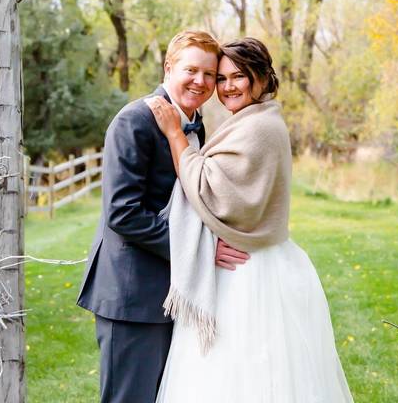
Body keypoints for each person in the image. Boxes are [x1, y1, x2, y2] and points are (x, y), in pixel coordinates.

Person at [146, 37, 353, 403]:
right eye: (221, 78)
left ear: (260, 78)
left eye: (237, 77)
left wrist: (176, 135)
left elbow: (211, 191)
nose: (226, 87)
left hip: (250, 273)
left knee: (248, 372)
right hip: (245, 263)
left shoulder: (259, 127)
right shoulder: (249, 120)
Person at [77, 30, 250, 403]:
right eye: (191, 70)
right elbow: (123, 214)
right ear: (168, 67)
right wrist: (201, 249)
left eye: (210, 74)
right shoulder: (135, 121)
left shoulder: (194, 123)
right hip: (133, 294)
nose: (201, 81)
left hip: (174, 290)